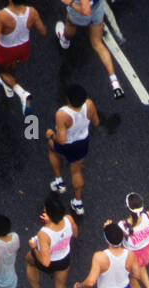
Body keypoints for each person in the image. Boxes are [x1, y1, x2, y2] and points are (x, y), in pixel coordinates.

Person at [46, 84, 99, 217]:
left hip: (67, 145)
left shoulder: (62, 114)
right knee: (76, 171)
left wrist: (51, 134)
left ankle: (59, 182)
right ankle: (78, 202)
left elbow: (62, 140)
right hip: (82, 143)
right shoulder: (90, 104)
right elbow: (96, 122)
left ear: (68, 99)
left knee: (51, 147)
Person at [54, 0, 124, 99]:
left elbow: (85, 11)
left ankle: (65, 41)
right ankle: (115, 83)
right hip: (97, 9)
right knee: (97, 44)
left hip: (81, 13)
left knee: (70, 23)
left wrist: (70, 3)